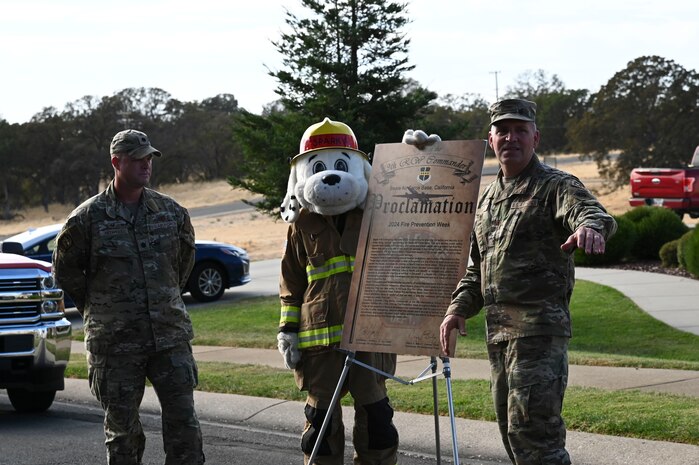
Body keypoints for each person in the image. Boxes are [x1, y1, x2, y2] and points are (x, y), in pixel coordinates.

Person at [439, 99, 617, 465]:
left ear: (535, 138)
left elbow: (591, 212)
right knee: (512, 433)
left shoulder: (555, 185)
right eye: (503, 130)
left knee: (536, 437)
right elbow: (480, 267)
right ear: (490, 140)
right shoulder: (487, 199)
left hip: (538, 333)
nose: (511, 138)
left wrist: (590, 228)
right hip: (499, 336)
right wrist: (457, 309)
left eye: (520, 130)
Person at [53, 129, 205, 465]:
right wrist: (100, 310)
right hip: (115, 344)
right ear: (116, 162)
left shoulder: (171, 213)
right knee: (123, 435)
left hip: (169, 339)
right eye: (137, 159)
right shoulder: (86, 220)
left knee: (184, 427)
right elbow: (65, 273)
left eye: (149, 157)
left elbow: (181, 267)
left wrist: (163, 299)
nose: (146, 164)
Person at [277, 118, 399, 465]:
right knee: (320, 434)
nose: (330, 176)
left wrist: (420, 156)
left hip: (371, 343)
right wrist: (287, 330)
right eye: (318, 166)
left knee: (378, 427)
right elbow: (291, 282)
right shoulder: (301, 226)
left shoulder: (380, 214)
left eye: (341, 165)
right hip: (319, 349)